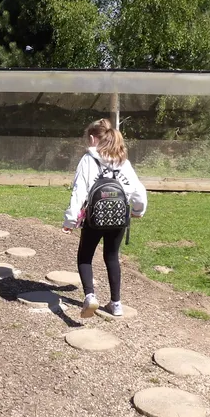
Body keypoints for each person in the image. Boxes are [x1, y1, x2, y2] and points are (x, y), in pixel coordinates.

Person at [63, 119, 147, 318]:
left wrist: (70, 220)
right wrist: (138, 210)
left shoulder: (88, 160)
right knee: (112, 257)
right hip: (119, 219)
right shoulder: (123, 161)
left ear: (93, 138)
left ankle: (90, 296)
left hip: (94, 219)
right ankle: (116, 304)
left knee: (85, 256)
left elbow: (79, 192)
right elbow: (138, 190)